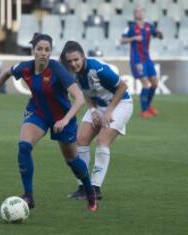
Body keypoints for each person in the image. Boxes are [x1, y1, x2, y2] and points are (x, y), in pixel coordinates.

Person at [0, 33, 98, 212]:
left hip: (62, 116)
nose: (44, 53)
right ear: (33, 50)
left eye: (47, 50)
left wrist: (65, 119)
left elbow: (79, 99)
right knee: (23, 147)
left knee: (72, 160)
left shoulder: (57, 69)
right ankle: (28, 196)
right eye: (40, 49)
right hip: (38, 113)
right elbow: (6, 73)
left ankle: (90, 191)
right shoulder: (25, 68)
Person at [59, 41, 133, 200]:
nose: (73, 63)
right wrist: (92, 110)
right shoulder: (73, 73)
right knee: (81, 140)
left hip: (120, 104)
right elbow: (86, 92)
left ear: (83, 57)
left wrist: (109, 111)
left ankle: (95, 188)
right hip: (99, 106)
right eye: (70, 61)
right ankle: (83, 187)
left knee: (102, 140)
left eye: (76, 59)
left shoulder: (98, 69)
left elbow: (123, 87)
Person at [121, 5, 163, 118]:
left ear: (144, 13)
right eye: (137, 11)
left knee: (154, 83)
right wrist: (133, 38)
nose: (139, 13)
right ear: (134, 14)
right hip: (137, 59)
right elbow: (122, 40)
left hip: (147, 58)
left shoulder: (149, 26)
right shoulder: (130, 27)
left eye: (141, 11)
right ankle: (144, 111)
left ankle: (148, 106)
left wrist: (160, 33)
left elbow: (158, 35)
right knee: (145, 83)